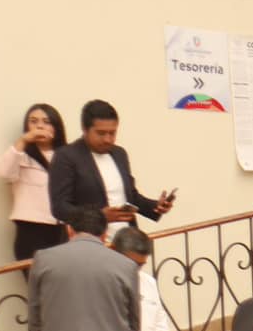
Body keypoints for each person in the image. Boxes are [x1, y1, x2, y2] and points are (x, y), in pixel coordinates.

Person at [49, 99, 173, 237]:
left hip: (125, 241)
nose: (108, 139)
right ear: (85, 130)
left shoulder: (120, 154)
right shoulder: (66, 156)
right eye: (101, 133)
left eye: (112, 133)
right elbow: (59, 207)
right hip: (89, 243)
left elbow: (130, 196)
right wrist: (99, 216)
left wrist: (156, 207)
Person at [0, 103, 67, 262]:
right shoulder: (21, 155)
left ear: (56, 126)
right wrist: (23, 140)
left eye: (46, 121)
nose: (39, 126)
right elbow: (3, 173)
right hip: (31, 230)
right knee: (38, 283)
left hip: (63, 229)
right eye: (33, 121)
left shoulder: (66, 156)